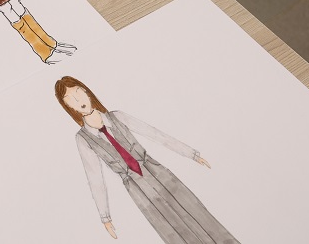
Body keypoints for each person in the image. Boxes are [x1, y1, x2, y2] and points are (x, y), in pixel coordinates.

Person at [55, 76, 240, 243]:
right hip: (137, 189)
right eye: (70, 99)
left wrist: (192, 154)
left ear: (86, 91)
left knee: (197, 213)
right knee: (171, 230)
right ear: (68, 106)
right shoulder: (83, 139)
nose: (78, 100)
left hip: (158, 172)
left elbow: (155, 135)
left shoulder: (118, 116)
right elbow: (95, 177)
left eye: (78, 93)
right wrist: (105, 217)